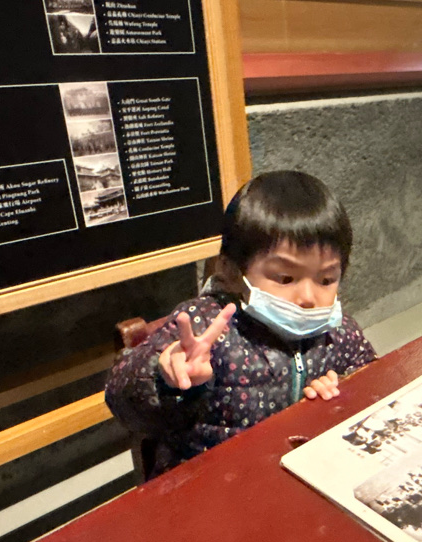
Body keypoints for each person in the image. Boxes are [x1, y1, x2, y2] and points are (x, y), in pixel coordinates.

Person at [106, 171, 377, 478]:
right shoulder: (204, 326)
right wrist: (164, 377)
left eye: (326, 279)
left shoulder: (337, 332)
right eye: (285, 277)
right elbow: (121, 400)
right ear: (232, 272)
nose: (308, 297)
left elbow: (371, 378)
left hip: (296, 474)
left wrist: (342, 390)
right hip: (214, 482)